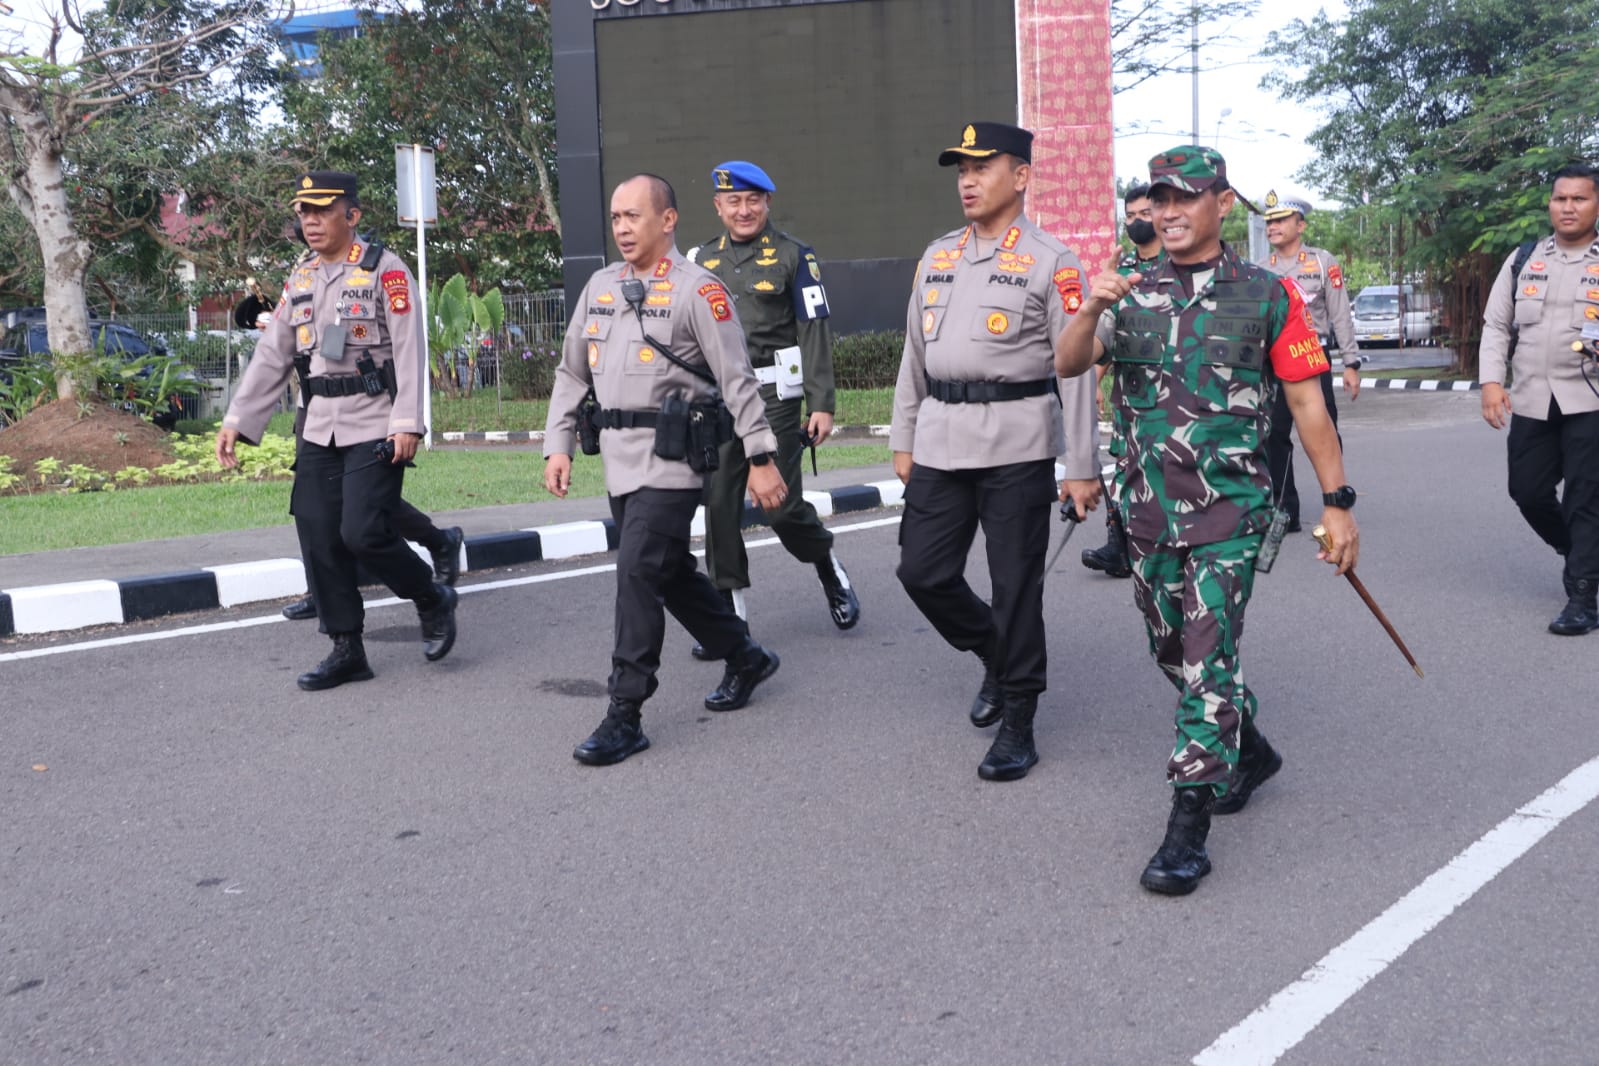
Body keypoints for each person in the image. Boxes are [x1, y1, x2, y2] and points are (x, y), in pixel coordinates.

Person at [1055, 145, 1359, 895]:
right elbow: (1064, 363)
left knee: (1205, 653)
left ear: (1222, 203)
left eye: (1184, 198)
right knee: (1171, 652)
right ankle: (1247, 748)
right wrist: (1090, 305)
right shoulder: (1126, 294)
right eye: (1157, 199)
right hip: (1145, 514)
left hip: (1230, 513)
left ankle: (1186, 828)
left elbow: (1305, 405)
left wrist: (1336, 503)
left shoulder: (1268, 294)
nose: (1167, 211)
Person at [544, 174, 786, 766]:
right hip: (619, 462)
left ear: (668, 220)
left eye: (634, 216)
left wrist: (760, 457)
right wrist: (559, 444)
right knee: (670, 573)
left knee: (636, 575)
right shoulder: (600, 288)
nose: (623, 227)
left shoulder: (698, 292)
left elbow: (737, 379)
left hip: (674, 460)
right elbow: (573, 373)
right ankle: (745, 655)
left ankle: (625, 712)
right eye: (616, 217)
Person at [890, 121, 1101, 782]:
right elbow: (913, 356)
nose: (968, 181)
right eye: (961, 170)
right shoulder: (937, 255)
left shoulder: (1051, 260)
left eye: (982, 167)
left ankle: (1018, 716)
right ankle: (990, 650)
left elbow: (1076, 367)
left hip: (1016, 442)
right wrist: (902, 436)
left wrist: (1081, 465)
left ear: (1021, 176)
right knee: (920, 573)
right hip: (940, 439)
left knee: (1015, 588)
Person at [215, 170, 459, 690]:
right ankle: (347, 648)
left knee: (364, 532)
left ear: (352, 216)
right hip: (319, 425)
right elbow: (273, 352)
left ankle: (430, 597)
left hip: (374, 420)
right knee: (319, 533)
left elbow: (411, 349)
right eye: (303, 212)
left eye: (321, 211)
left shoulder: (384, 271)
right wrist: (238, 418)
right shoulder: (301, 277)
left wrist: (407, 422)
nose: (310, 221)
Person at [684, 160, 859, 656]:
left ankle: (827, 564)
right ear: (718, 207)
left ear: (767, 203)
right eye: (733, 202)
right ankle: (729, 618)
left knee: (779, 507)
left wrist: (821, 402)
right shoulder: (699, 260)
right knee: (718, 506)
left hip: (774, 399)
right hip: (718, 400)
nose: (744, 210)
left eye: (753, 200)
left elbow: (814, 330)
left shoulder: (795, 258)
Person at [1480, 162, 1599, 635]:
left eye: (1580, 198)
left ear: (1596, 204)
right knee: (1526, 490)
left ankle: (1583, 597)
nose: (1568, 207)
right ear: (1550, 204)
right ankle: (1583, 555)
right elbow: (1495, 325)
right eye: (1560, 198)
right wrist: (1491, 382)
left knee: (1585, 499)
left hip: (1590, 399)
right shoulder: (1524, 257)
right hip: (1532, 398)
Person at [1262, 190, 1363, 532]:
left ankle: (1334, 502)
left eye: (1280, 220)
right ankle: (1284, 508)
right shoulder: (1261, 270)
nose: (1273, 226)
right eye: (1269, 222)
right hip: (1274, 361)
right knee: (1274, 434)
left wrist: (1351, 363)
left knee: (1325, 430)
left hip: (1312, 354)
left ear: (1300, 224)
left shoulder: (1322, 262)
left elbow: (1340, 314)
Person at [1082, 182, 1164, 580]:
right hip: (1132, 399)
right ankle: (1119, 547)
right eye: (1129, 216)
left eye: (1143, 214)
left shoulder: (1178, 266)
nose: (1136, 222)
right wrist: (1094, 381)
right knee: (1124, 472)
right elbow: (1108, 336)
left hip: (1177, 401)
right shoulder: (1122, 275)